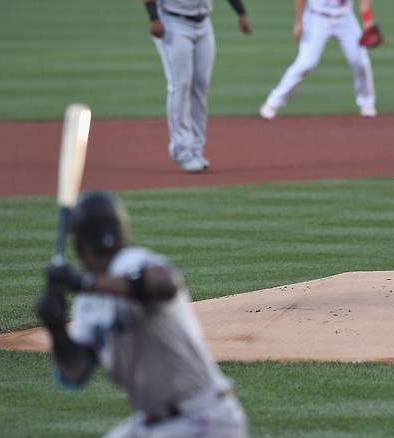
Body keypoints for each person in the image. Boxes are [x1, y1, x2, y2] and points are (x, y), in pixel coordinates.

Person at [35, 191, 246, 437]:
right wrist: (56, 329)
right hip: (152, 423)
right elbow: (74, 374)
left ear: (79, 247)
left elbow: (165, 283)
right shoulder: (89, 301)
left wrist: (82, 282)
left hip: (200, 420)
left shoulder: (132, 263)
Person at [143, 0, 252, 173]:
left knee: (201, 85)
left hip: (203, 23)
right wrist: (154, 18)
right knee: (180, 85)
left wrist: (241, 13)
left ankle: (196, 149)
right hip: (173, 23)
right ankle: (182, 151)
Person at [259, 0, 377, 120]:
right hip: (317, 18)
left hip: (345, 19)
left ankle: (367, 104)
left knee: (361, 61)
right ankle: (273, 103)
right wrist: (299, 22)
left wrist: (368, 20)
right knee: (306, 63)